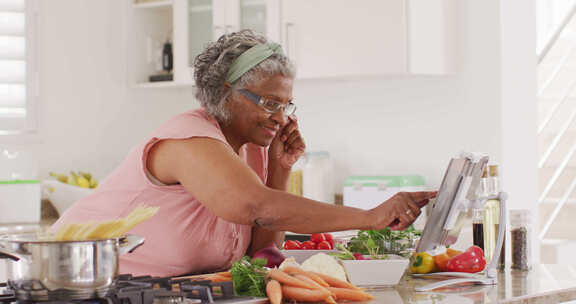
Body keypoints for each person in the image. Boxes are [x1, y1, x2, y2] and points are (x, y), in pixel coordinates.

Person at [53, 30, 436, 277]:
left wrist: (280, 170)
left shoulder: (251, 149)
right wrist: (370, 216)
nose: (280, 117)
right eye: (270, 103)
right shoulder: (189, 140)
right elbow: (257, 206)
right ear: (226, 91)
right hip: (74, 283)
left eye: (286, 105)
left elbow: (260, 252)